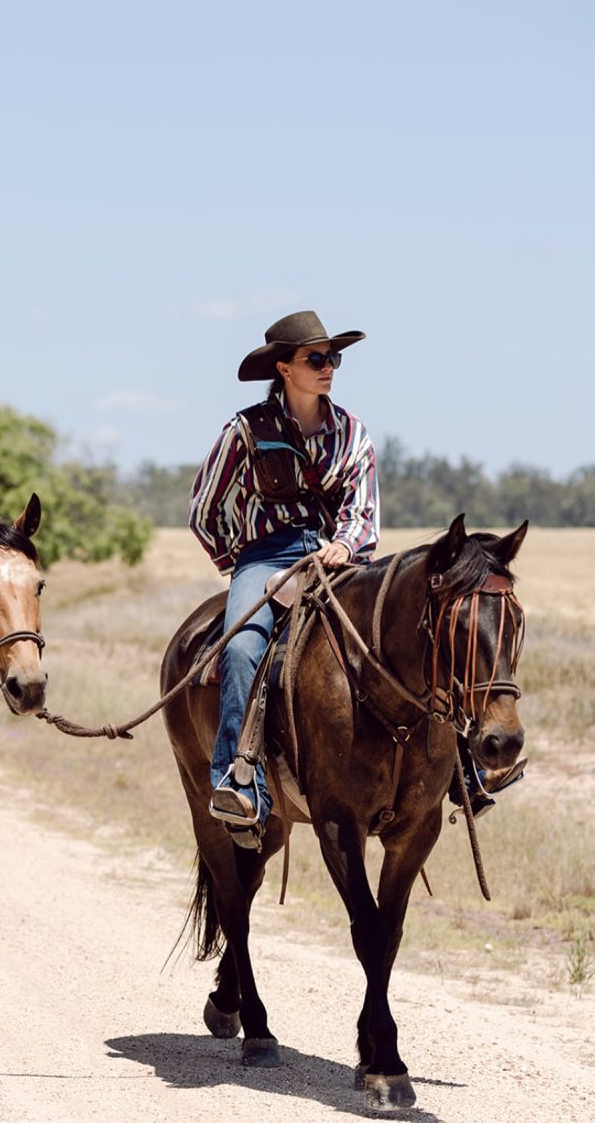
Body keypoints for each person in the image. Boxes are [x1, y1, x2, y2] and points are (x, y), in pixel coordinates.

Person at [189, 310, 379, 848]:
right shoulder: (245, 431)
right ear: (284, 369)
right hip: (264, 559)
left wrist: (343, 546)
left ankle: (464, 768)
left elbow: (363, 513)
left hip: (339, 559)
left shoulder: (353, 434)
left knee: (401, 633)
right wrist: (241, 567)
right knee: (244, 646)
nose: (329, 368)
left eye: (333, 358)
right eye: (316, 359)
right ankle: (238, 779)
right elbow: (204, 509)